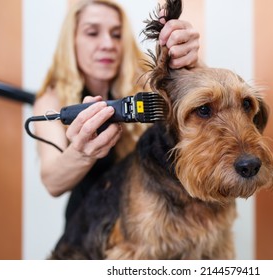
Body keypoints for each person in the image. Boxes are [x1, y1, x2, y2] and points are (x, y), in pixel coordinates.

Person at [33, 0, 200, 225]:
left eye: (116, 34)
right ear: (71, 41)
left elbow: (198, 97)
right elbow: (53, 182)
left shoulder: (146, 83)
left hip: (146, 223)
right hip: (88, 225)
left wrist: (189, 62)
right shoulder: (52, 101)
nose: (107, 44)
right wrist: (82, 153)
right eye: (92, 33)